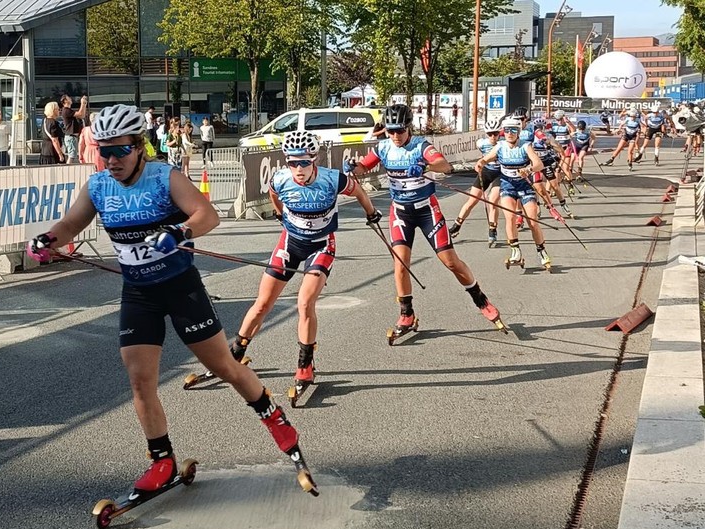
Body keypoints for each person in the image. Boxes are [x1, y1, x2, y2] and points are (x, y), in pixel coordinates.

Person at [25, 104, 317, 496]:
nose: (110, 160)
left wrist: (179, 231)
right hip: (138, 293)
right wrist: (46, 240)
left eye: (119, 151)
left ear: (140, 147)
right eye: (102, 150)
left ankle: (274, 418)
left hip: (181, 287)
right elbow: (71, 224)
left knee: (225, 367)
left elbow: (207, 215)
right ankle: (162, 461)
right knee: (140, 380)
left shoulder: (164, 177)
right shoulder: (98, 186)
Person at [221, 131, 380, 394]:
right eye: (292, 162)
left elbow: (359, 192)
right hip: (290, 243)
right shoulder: (281, 178)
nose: (298, 169)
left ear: (314, 159)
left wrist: (371, 213)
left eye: (304, 162)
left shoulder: (333, 179)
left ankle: (305, 365)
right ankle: (235, 353)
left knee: (305, 302)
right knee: (262, 304)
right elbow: (274, 195)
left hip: (321, 245)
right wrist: (280, 215)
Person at [344, 104, 506, 338]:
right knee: (400, 263)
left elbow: (445, 165)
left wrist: (424, 165)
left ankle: (480, 299)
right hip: (401, 212)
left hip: (426, 210)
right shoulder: (384, 147)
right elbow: (363, 168)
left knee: (450, 262)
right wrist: (352, 167)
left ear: (408, 128)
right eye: (390, 131)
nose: (395, 136)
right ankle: (406, 314)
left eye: (400, 130)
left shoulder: (420, 146)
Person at [476, 117, 550, 270]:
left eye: (513, 130)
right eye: (507, 130)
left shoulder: (525, 146)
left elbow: (539, 164)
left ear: (519, 132)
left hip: (524, 185)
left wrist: (529, 169)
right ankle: (515, 251)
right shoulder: (500, 146)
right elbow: (486, 159)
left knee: (532, 222)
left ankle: (541, 251)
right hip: (508, 185)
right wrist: (480, 163)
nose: (510, 133)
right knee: (510, 218)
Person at [448, 119, 503, 245]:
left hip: (499, 174)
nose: (493, 137)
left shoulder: (503, 144)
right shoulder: (481, 143)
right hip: (486, 172)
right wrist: (479, 164)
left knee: (492, 200)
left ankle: (492, 229)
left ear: (499, 133)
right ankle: (457, 225)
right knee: (472, 200)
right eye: (490, 134)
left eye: (495, 133)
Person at [60, 94, 88, 164]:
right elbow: (80, 114)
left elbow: (82, 116)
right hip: (71, 136)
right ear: (65, 101)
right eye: (69, 98)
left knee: (73, 155)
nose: (71, 99)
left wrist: (84, 104)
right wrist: (82, 103)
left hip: (72, 136)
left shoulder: (68, 110)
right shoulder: (66, 110)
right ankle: (67, 170)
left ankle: (68, 169)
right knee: (71, 156)